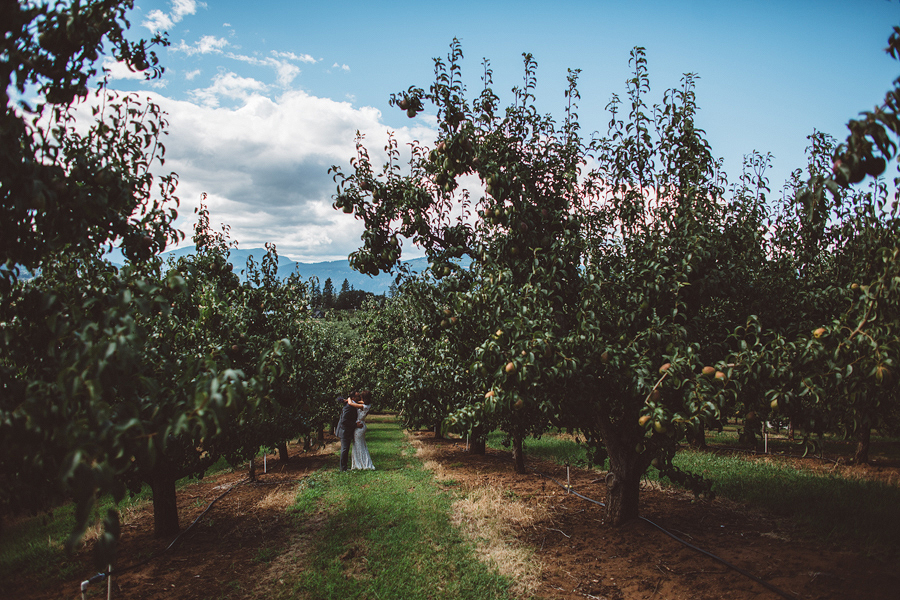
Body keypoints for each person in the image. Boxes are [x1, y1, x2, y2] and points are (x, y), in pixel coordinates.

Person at [350, 390, 375, 470]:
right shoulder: (368, 404)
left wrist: (349, 398)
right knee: (360, 445)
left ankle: (361, 464)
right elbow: (358, 402)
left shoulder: (363, 406)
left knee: (358, 445)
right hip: (362, 425)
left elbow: (351, 404)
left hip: (359, 427)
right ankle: (360, 462)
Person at [336, 392, 359, 472]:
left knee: (345, 449)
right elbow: (344, 421)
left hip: (346, 430)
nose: (359, 397)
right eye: (357, 396)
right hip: (344, 430)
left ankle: (344, 467)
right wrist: (355, 425)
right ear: (353, 398)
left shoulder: (351, 404)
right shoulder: (348, 407)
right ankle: (343, 468)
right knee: (345, 449)